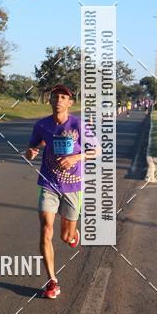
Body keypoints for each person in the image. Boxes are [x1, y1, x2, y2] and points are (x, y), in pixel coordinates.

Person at [25, 85, 96, 300]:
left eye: (63, 97)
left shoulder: (78, 124)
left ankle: (73, 235)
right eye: (55, 97)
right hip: (48, 183)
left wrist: (77, 157)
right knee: (46, 229)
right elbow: (31, 149)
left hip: (73, 186)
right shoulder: (42, 125)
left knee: (66, 236)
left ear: (70, 102)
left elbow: (96, 150)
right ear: (50, 101)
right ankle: (52, 281)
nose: (58, 100)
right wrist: (31, 152)